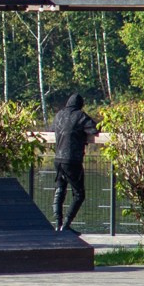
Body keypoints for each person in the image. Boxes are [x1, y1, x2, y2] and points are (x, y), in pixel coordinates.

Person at [48, 91, 95, 233]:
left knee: (60, 190)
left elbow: (51, 130)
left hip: (58, 159)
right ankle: (67, 225)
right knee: (79, 194)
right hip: (72, 160)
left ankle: (57, 224)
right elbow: (94, 128)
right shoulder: (80, 116)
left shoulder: (59, 115)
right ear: (80, 105)